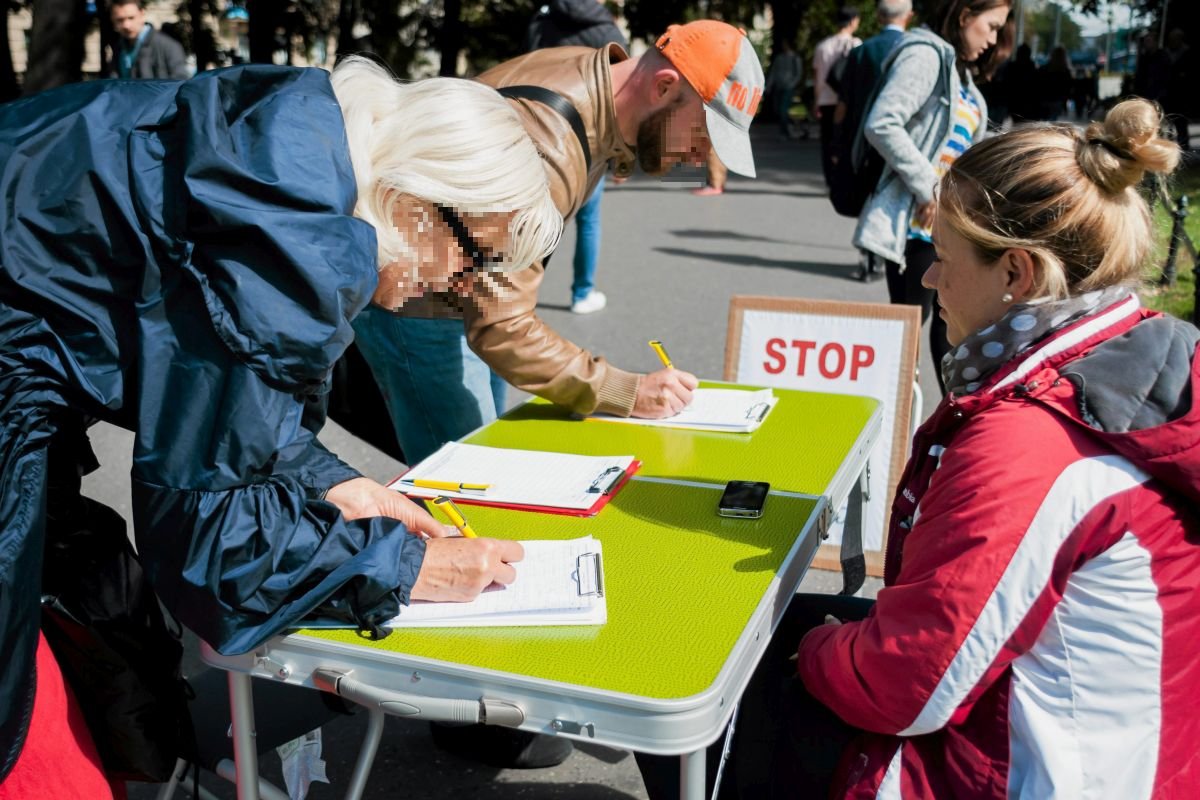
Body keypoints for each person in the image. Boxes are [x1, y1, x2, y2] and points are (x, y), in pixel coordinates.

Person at [0, 58, 562, 794]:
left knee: (80, 626)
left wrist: (342, 483)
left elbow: (236, 414)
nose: (458, 289)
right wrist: (405, 567)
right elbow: (206, 543)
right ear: (418, 195)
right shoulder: (296, 242)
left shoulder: (294, 144)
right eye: (470, 258)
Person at [645, 97, 1200, 800]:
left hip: (1033, 771)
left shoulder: (1029, 442)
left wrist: (807, 651)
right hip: (1129, 748)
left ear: (1016, 274)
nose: (931, 280)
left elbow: (905, 687)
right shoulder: (1136, 360)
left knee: (704, 661)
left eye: (941, 257)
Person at [352, 20, 763, 468]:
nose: (701, 157)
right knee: (467, 487)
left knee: (482, 458)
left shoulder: (593, 77)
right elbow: (502, 328)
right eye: (703, 135)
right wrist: (628, 391)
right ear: (664, 87)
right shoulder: (549, 140)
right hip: (418, 298)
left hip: (451, 292)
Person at [853, 0, 1012, 395]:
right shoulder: (925, 54)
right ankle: (901, 434)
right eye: (990, 26)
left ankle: (953, 431)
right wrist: (931, 188)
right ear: (964, 16)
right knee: (910, 337)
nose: (992, 40)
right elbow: (883, 123)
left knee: (953, 333)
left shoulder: (963, 75)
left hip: (947, 224)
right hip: (917, 224)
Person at [526, 0, 630, 315]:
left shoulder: (543, 19)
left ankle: (516, 297)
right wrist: (621, 154)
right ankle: (582, 293)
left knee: (534, 219)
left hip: (539, 129)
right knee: (588, 220)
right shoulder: (607, 30)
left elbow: (524, 68)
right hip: (589, 137)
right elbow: (621, 93)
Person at [835, 0, 914, 281]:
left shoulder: (862, 51)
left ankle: (870, 257)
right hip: (904, 140)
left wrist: (838, 141)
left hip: (864, 140)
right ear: (910, 16)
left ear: (879, 16)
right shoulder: (914, 52)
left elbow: (843, 103)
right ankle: (889, 256)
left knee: (869, 196)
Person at [813, 6, 862, 186]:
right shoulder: (857, 45)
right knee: (846, 140)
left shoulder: (822, 46)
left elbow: (818, 78)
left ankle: (830, 179)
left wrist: (817, 101)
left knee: (827, 142)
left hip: (826, 100)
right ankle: (844, 178)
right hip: (847, 102)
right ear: (853, 21)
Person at [108, 0, 188, 80]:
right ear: (112, 20)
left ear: (142, 14)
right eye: (120, 20)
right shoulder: (118, 47)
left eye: (131, 18)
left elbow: (180, 82)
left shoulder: (169, 46)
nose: (126, 25)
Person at [765, 39, 803, 139]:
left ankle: (786, 131)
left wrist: (792, 84)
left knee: (783, 109)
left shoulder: (795, 58)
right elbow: (773, 72)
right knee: (778, 109)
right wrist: (769, 85)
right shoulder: (779, 58)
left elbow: (798, 74)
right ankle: (789, 127)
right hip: (779, 86)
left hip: (788, 87)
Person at [1035, 45, 1073, 121]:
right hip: (1057, 100)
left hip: (1044, 99)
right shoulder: (1065, 71)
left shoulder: (1044, 68)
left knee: (1043, 123)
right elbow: (1068, 88)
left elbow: (1037, 84)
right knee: (1052, 123)